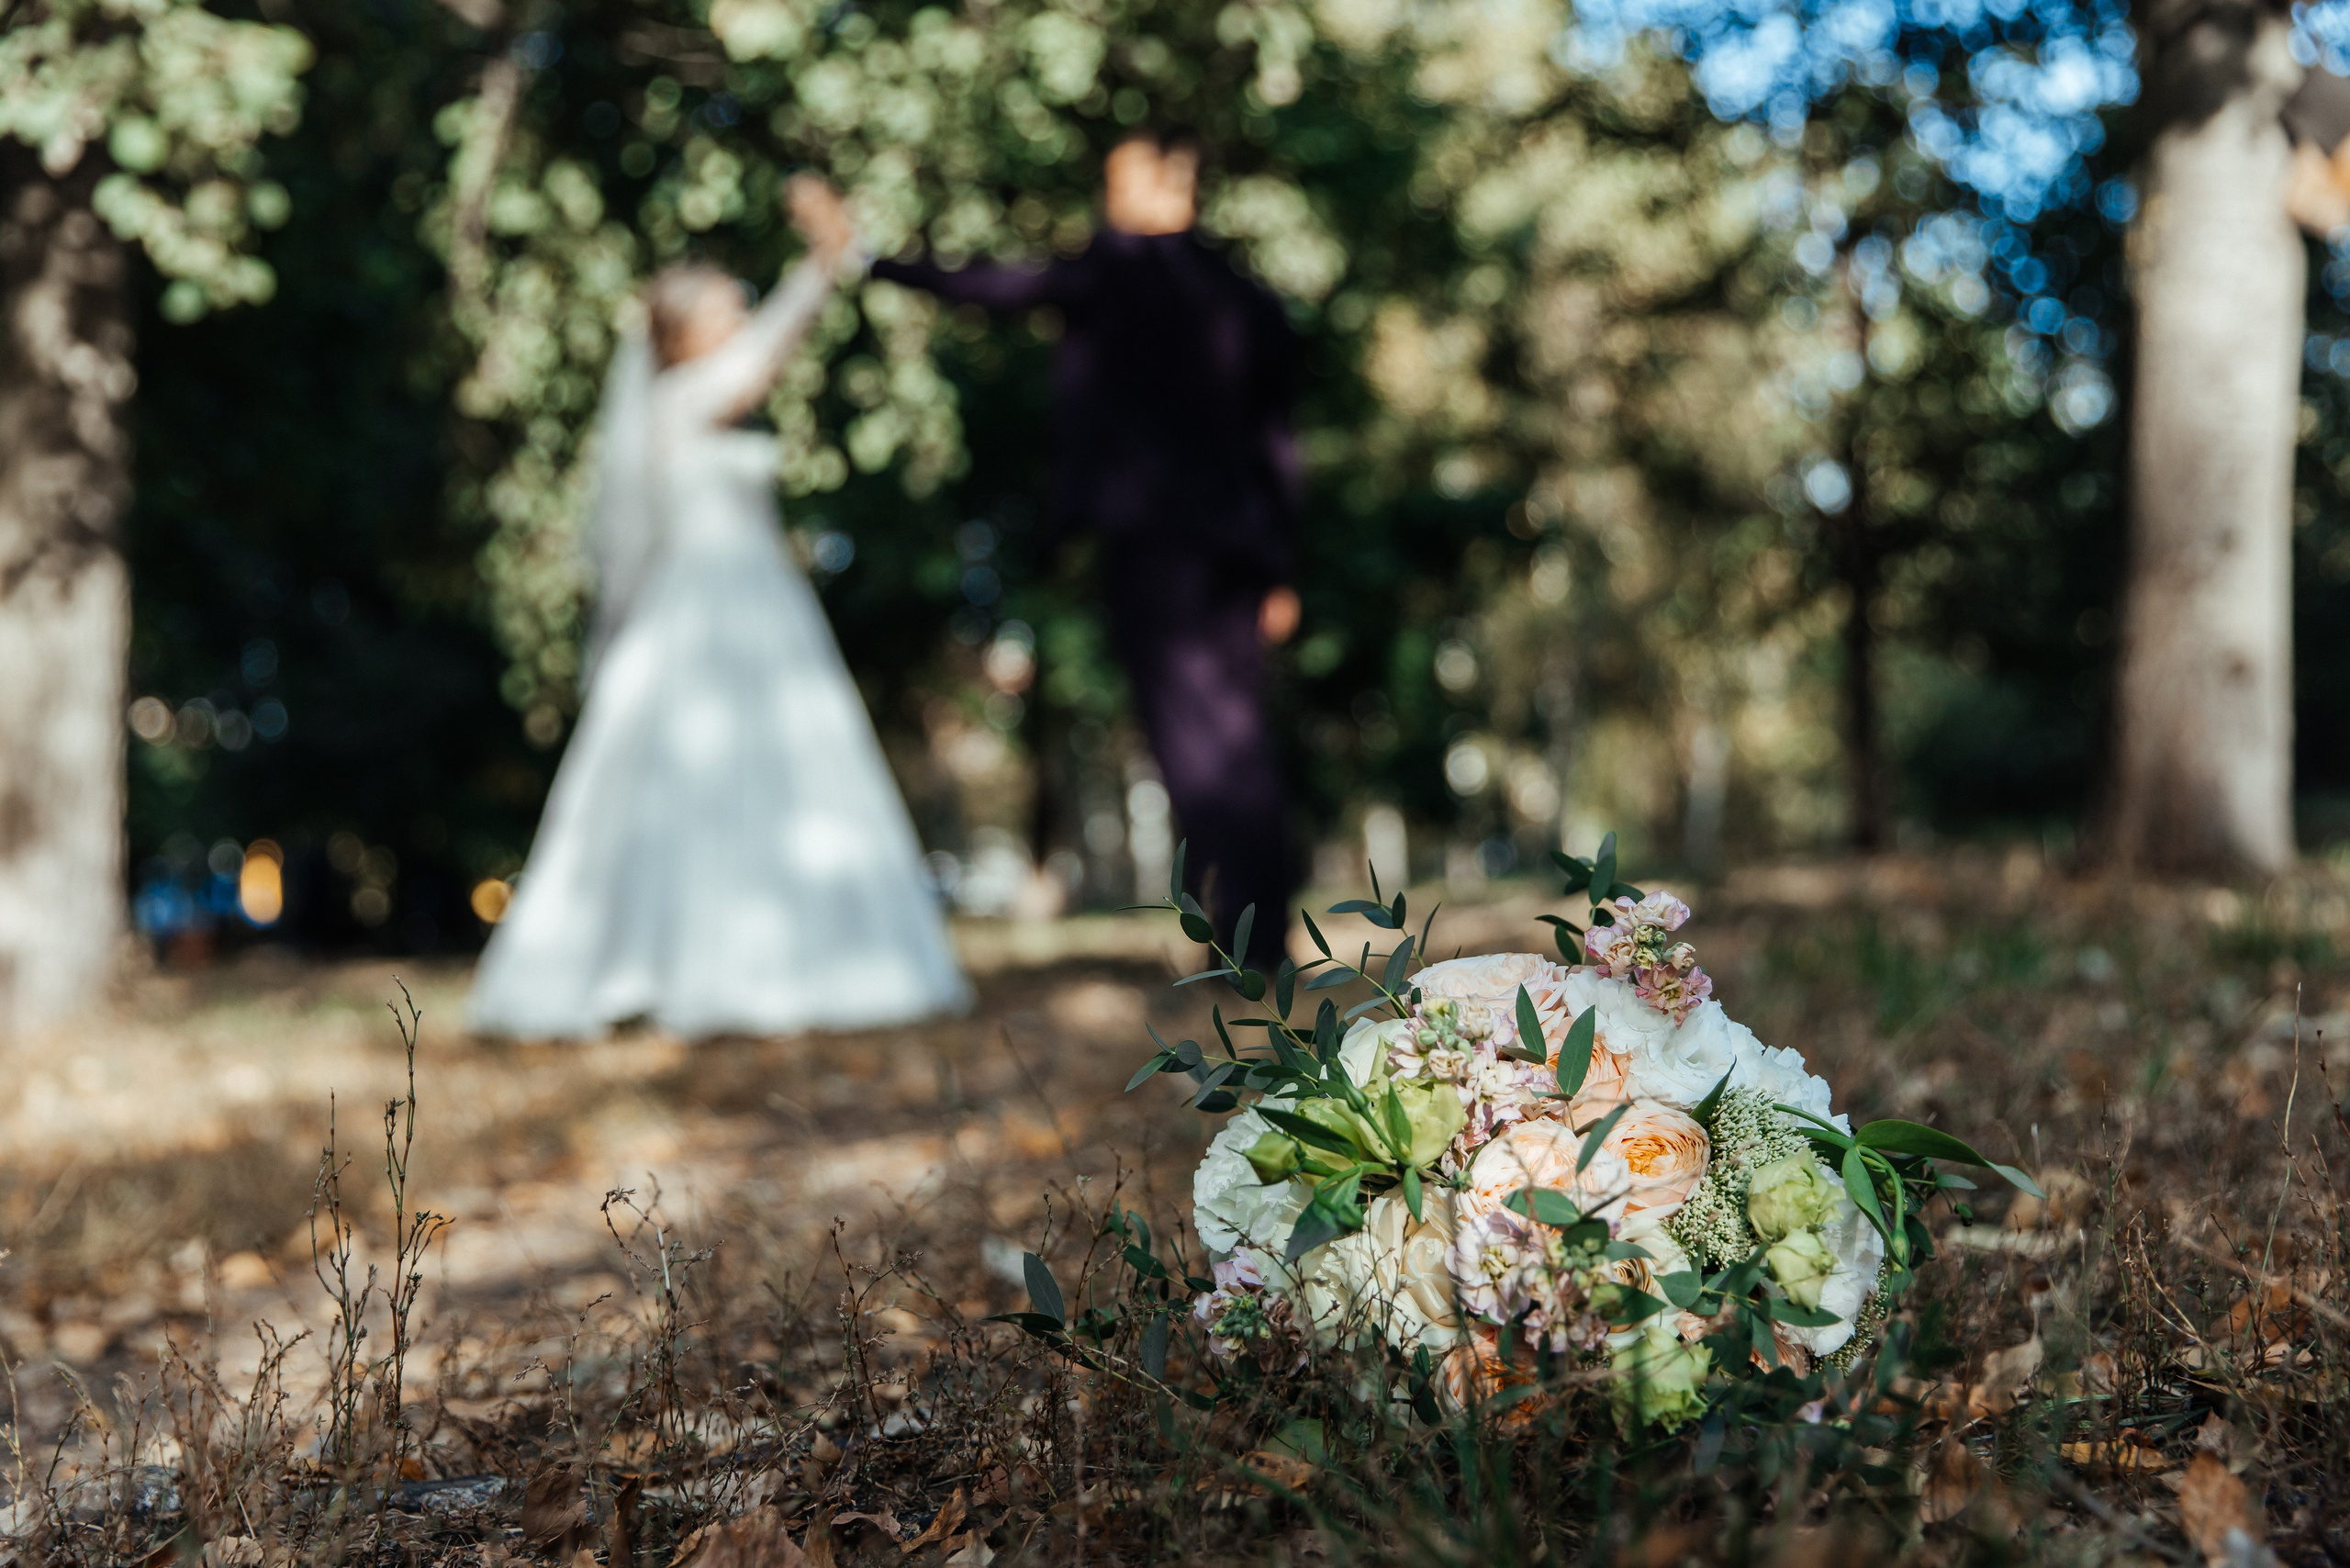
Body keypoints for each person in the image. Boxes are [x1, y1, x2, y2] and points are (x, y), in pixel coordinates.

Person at [468, 178, 972, 1040]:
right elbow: (768, 352)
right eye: (725, 304)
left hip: (758, 598)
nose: (738, 312)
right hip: (709, 607)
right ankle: (685, 966)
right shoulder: (682, 399)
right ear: (685, 329)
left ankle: (778, 957)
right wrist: (823, 264)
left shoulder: (688, 402)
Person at [872, 129, 1304, 970]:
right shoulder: (1245, 293)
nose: (1107, 203)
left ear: (1166, 186)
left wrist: (874, 261)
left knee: (1196, 743)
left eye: (1118, 184)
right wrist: (1282, 567)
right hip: (1237, 552)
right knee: (1239, 742)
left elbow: (990, 285)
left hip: (1154, 547)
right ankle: (1259, 938)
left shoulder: (1116, 273)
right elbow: (1281, 446)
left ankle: (1244, 940)